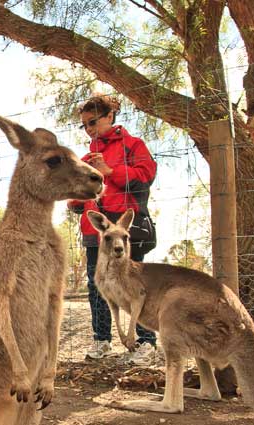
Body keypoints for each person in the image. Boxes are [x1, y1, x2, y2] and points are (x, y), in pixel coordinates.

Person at [68, 94, 159, 365]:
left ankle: (145, 341)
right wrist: (80, 193)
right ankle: (102, 340)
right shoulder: (85, 158)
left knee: (135, 284)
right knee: (98, 286)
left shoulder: (132, 145)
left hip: (126, 228)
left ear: (109, 116)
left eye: (93, 122)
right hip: (95, 231)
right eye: (84, 125)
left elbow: (146, 175)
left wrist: (109, 171)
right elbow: (74, 197)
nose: (89, 129)